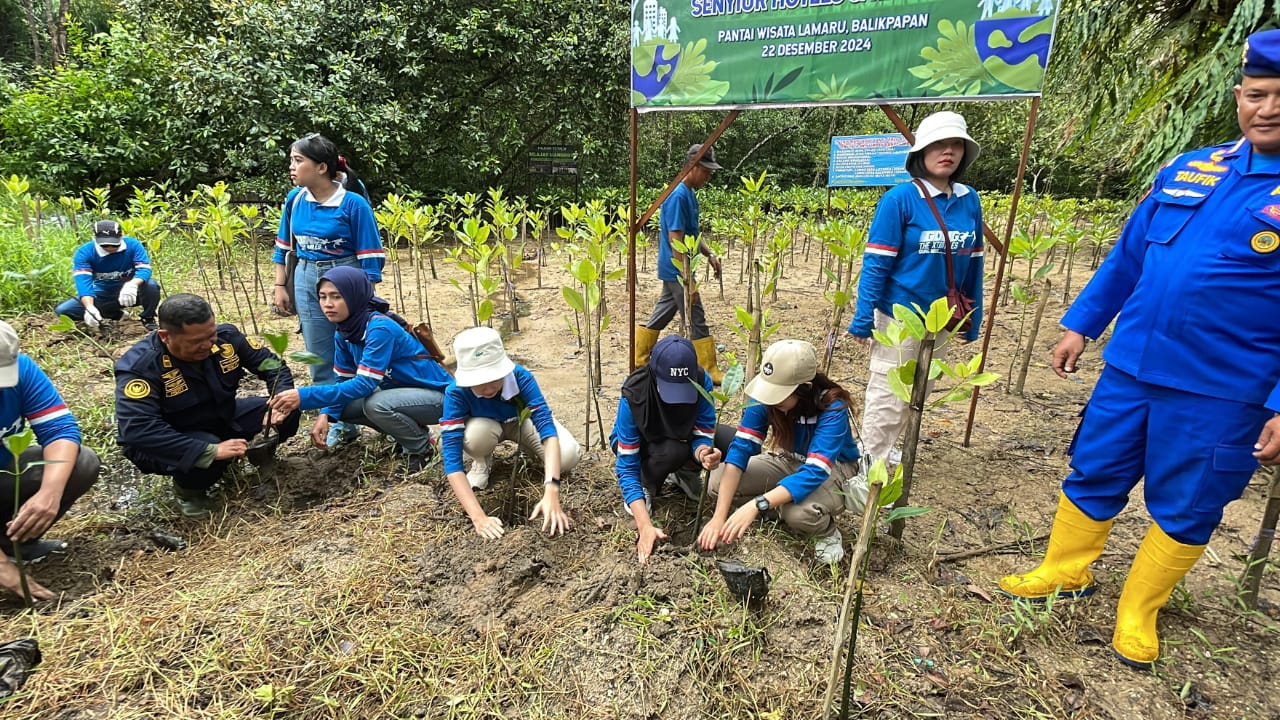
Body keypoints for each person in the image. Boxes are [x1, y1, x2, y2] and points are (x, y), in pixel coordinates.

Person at [999, 28, 1280, 670]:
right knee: (1095, 466)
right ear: (1239, 96)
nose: (1268, 108)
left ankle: (1139, 610)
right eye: (1257, 94)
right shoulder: (1191, 168)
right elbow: (1127, 258)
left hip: (1225, 387)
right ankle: (1065, 569)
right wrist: (1081, 325)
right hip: (1131, 367)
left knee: (1190, 497)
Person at [847, 111, 984, 466]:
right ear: (920, 153)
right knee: (889, 393)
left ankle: (891, 451)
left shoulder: (970, 200)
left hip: (941, 320)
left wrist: (973, 315)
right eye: (938, 144)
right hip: (899, 315)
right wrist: (864, 317)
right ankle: (870, 464)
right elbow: (877, 264)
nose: (947, 151)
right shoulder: (900, 200)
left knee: (921, 390)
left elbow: (975, 262)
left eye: (955, 145)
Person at [115, 294, 301, 519]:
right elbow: (138, 430)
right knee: (207, 449)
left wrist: (280, 401)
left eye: (210, 335)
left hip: (220, 416)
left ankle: (258, 456)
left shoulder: (227, 338)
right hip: (171, 436)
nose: (207, 345)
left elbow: (273, 367)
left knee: (288, 408)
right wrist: (210, 451)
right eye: (195, 342)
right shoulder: (141, 366)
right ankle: (189, 492)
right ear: (165, 336)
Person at [267, 267, 452, 474]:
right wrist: (326, 415)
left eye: (336, 297)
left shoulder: (379, 329)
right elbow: (343, 380)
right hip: (403, 395)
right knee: (342, 408)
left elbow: (364, 385)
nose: (328, 304)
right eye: (322, 297)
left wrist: (303, 396)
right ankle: (407, 433)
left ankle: (421, 449)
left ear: (354, 295)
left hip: (440, 398)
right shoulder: (345, 332)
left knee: (375, 404)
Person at [697, 339, 864, 564]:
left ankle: (826, 532)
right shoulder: (766, 398)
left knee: (800, 513)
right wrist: (719, 517)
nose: (772, 400)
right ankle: (778, 506)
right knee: (716, 483)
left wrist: (756, 504)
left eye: (780, 393)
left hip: (833, 468)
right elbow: (740, 450)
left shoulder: (832, 406)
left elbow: (815, 470)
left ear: (805, 388)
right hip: (788, 461)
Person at [271, 133, 385, 450]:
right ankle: (334, 420)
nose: (291, 167)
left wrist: (365, 298)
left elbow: (370, 256)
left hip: (345, 277)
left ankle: (357, 416)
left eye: (298, 161)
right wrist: (281, 285)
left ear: (321, 167)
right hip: (307, 278)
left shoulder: (353, 204)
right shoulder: (295, 201)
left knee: (351, 349)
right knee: (319, 353)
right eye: (292, 160)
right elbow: (283, 246)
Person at [440, 327, 581, 539]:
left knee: (567, 457)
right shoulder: (456, 393)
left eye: (494, 379)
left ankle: (529, 451)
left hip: (520, 422)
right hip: (484, 428)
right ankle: (482, 461)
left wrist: (552, 488)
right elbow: (452, 461)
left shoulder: (520, 377)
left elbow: (546, 429)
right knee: (478, 435)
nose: (488, 389)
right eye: (479, 382)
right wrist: (479, 518)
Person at [0, 320, 101, 600]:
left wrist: (49, 493)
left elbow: (60, 430)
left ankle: (13, 543)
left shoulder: (20, 368)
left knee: (82, 463)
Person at [611, 334, 732, 564]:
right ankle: (647, 483)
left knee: (731, 441)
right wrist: (645, 525)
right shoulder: (634, 395)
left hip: (680, 436)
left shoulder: (701, 380)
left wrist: (703, 454)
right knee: (671, 450)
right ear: (654, 374)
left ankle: (684, 473)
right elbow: (626, 464)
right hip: (647, 444)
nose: (677, 400)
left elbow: (703, 431)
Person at [634, 143, 726, 384]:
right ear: (693, 167)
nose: (708, 176)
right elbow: (676, 240)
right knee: (696, 315)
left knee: (664, 311)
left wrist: (709, 254)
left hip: (679, 268)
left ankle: (640, 357)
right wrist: (687, 281)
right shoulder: (677, 196)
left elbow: (691, 235)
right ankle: (707, 368)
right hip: (676, 268)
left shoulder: (689, 193)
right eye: (706, 171)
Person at [54, 219, 162, 332]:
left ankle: (148, 317)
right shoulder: (84, 253)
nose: (110, 248)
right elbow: (83, 283)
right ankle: (114, 314)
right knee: (64, 310)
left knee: (151, 286)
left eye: (114, 244)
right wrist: (89, 307)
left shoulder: (133, 245)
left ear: (121, 236)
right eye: (105, 245)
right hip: (104, 293)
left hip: (134, 291)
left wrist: (132, 284)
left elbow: (144, 269)